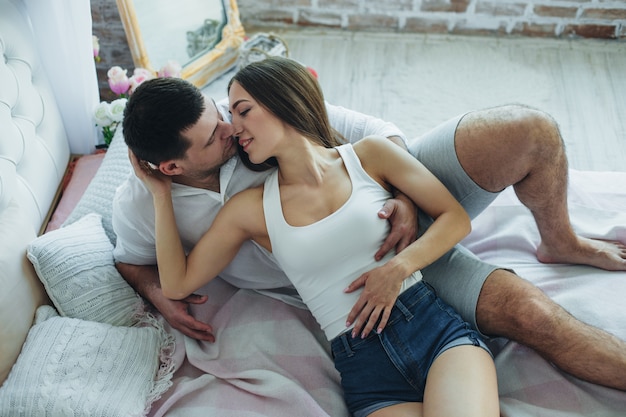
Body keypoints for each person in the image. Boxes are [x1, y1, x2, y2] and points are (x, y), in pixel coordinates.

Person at [114, 67, 626, 391]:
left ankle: (561, 239)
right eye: (213, 135)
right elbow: (132, 260)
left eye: (225, 113)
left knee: (527, 129)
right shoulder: (149, 205)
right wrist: (156, 292)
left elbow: (378, 133)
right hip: (365, 273)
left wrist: (402, 198)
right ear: (172, 168)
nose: (230, 126)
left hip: (389, 195)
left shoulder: (257, 121)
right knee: (528, 313)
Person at [130, 56, 500, 417]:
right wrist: (161, 195)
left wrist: (398, 268)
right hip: (366, 368)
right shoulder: (250, 209)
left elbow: (454, 219)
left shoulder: (368, 155)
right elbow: (176, 285)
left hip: (431, 330)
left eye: (242, 111)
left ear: (280, 100)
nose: (233, 127)